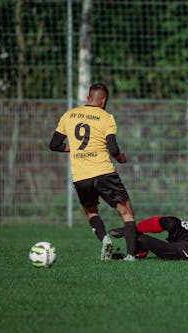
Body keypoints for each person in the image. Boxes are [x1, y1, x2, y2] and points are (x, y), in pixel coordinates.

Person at [49, 83, 137, 261]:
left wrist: (75, 148)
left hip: (81, 176)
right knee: (127, 213)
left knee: (91, 212)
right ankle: (130, 255)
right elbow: (113, 148)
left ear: (89, 97)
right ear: (103, 100)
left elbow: (54, 145)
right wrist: (121, 158)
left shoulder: (69, 115)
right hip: (104, 172)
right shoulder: (106, 117)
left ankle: (105, 239)